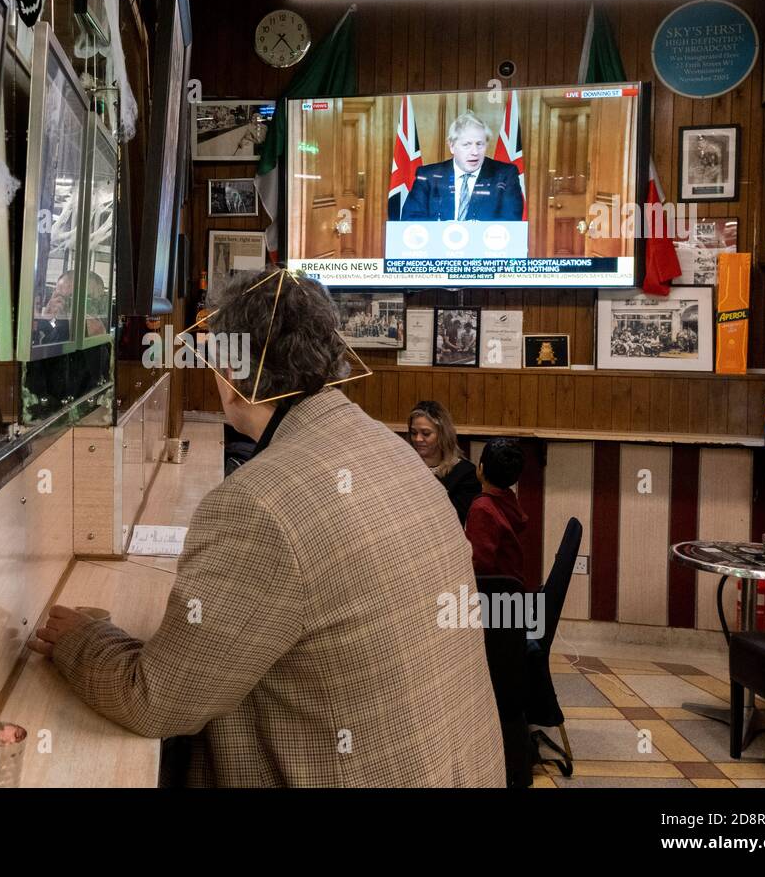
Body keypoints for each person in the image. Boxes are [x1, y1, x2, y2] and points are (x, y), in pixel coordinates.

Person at [29, 268, 505, 787]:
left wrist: (81, 640)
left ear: (235, 370)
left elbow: (158, 701)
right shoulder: (391, 449)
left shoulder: (258, 505)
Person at [399, 111, 524, 222]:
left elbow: (511, 221)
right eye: (467, 144)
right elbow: (410, 219)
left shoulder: (505, 175)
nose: (475, 151)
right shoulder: (428, 176)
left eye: (480, 144)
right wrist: (444, 231)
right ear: (452, 146)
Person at [464, 438, 529, 583]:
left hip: (493, 594)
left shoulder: (482, 509)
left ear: (480, 468)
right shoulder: (508, 498)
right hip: (512, 589)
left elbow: (479, 564)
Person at [408, 399, 480, 525]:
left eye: (426, 433)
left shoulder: (465, 473)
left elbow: (456, 520)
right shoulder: (404, 466)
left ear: (442, 435)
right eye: (414, 433)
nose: (418, 439)